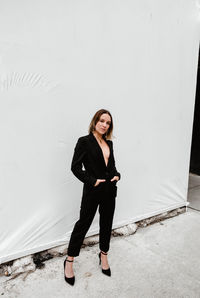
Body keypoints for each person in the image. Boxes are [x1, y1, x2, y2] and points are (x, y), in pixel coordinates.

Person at [63, 109, 121, 286]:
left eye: (108, 123)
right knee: (83, 224)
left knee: (106, 223)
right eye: (102, 121)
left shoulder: (108, 143)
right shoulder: (84, 141)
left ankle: (103, 255)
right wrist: (92, 181)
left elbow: (111, 166)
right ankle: (69, 260)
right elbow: (75, 167)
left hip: (109, 191)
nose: (104, 125)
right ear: (95, 121)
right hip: (93, 191)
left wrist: (117, 175)